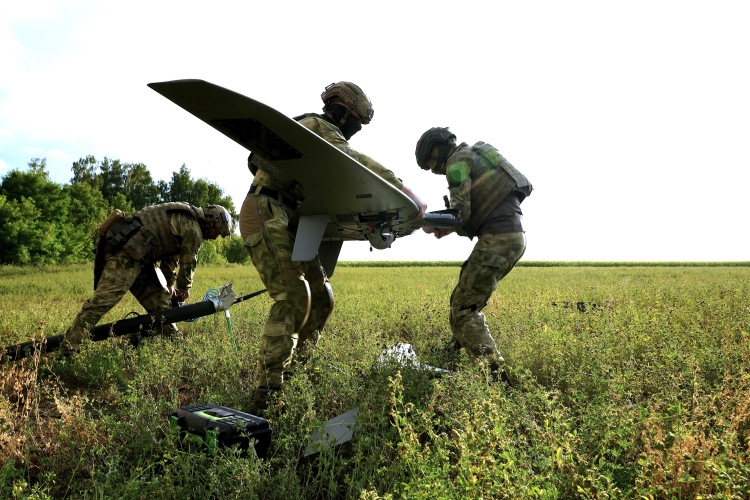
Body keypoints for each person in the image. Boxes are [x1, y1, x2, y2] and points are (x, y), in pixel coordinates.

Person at [241, 81, 427, 412]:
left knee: (321, 297)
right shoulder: (315, 126)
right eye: (356, 120)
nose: (355, 128)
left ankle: (300, 371)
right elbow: (352, 161)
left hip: (288, 215)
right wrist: (404, 191)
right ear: (343, 112)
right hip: (266, 210)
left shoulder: (311, 131)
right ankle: (268, 393)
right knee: (293, 295)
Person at [415, 127, 532, 372]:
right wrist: (447, 227)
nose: (435, 170)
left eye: (431, 162)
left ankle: (497, 378)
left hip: (497, 238)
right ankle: (452, 356)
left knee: (463, 309)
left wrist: (427, 222)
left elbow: (461, 213)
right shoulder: (477, 153)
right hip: (513, 235)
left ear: (439, 149)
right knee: (462, 296)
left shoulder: (457, 162)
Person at [63, 202, 232, 351]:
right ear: (212, 220)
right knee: (101, 303)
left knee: (161, 305)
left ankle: (167, 344)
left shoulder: (186, 218)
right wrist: (183, 288)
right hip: (125, 256)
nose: (216, 236)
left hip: (140, 259)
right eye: (217, 231)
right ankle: (69, 347)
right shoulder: (192, 228)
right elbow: (189, 261)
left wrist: (171, 285)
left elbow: (172, 259)